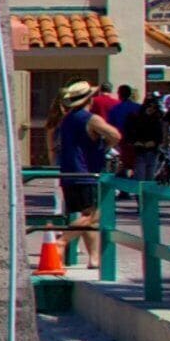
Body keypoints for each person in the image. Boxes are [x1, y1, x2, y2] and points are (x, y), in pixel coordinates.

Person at [51, 84, 118, 246]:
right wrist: (106, 145)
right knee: (93, 215)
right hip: (86, 174)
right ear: (90, 99)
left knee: (85, 216)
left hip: (68, 173)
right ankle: (60, 242)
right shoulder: (91, 119)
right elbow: (115, 135)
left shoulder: (66, 119)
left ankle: (93, 258)